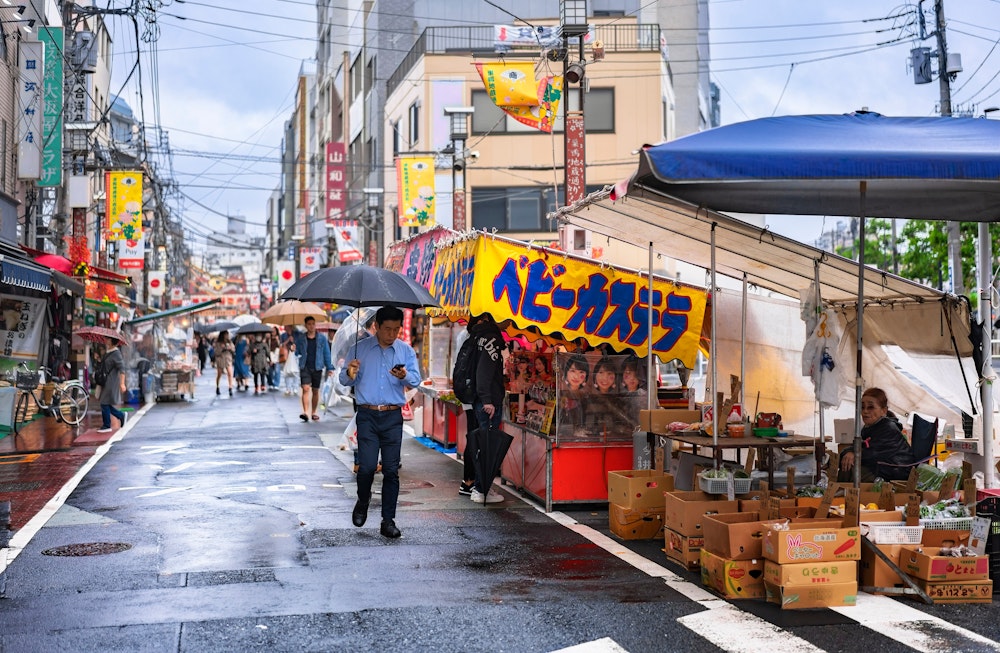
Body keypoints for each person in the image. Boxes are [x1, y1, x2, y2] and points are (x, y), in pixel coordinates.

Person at [340, 306, 421, 539]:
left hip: (392, 417)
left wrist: (404, 376)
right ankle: (363, 500)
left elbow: (416, 378)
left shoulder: (405, 351)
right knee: (365, 467)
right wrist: (350, 372)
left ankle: (388, 520)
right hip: (367, 415)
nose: (392, 334)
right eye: (387, 329)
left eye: (396, 329)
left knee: (391, 470)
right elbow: (344, 379)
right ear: (376, 326)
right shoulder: (360, 349)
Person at [459, 313, 506, 504]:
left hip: (480, 399)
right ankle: (481, 489)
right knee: (488, 446)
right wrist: (487, 400)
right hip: (488, 401)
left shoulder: (477, 336)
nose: (510, 322)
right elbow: (484, 371)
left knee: (482, 445)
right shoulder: (491, 338)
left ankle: (480, 487)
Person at [839, 387, 916, 482]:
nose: (865, 411)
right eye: (862, 407)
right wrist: (849, 452)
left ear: (883, 411)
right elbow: (857, 446)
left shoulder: (888, 428)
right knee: (847, 464)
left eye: (870, 407)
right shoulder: (869, 428)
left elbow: (872, 454)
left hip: (896, 474)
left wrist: (854, 454)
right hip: (879, 470)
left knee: (850, 468)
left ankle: (841, 494)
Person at [294, 316, 334, 421]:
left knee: (315, 390)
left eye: (313, 324)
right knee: (305, 388)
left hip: (318, 366)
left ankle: (314, 412)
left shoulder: (321, 338)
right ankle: (305, 412)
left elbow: (326, 353)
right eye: (309, 324)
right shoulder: (301, 338)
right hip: (305, 366)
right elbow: (297, 352)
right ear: (306, 325)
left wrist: (330, 368)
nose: (311, 326)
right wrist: (293, 349)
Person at [97, 336, 127, 433]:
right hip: (106, 381)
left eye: (108, 339)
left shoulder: (116, 353)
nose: (106, 340)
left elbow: (122, 369)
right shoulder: (109, 352)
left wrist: (122, 383)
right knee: (105, 402)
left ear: (111, 341)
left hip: (111, 382)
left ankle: (107, 425)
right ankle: (120, 415)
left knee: (104, 402)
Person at [214, 330, 235, 396]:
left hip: (228, 358)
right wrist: (222, 348)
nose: (227, 336)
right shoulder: (218, 342)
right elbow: (216, 352)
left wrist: (230, 348)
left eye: (227, 334)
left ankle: (230, 387)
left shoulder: (230, 341)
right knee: (219, 374)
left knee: (230, 373)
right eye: (226, 334)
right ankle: (217, 386)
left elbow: (233, 349)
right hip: (220, 359)